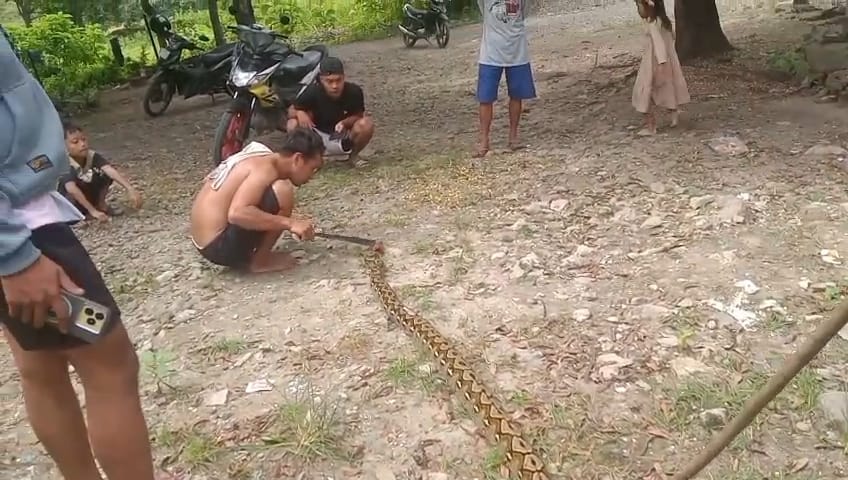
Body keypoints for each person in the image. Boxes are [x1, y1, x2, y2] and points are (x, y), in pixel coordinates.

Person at [1, 25, 157, 480]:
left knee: (40, 364)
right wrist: (15, 256)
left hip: (21, 227)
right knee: (109, 359)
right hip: (25, 236)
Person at [190, 127, 325, 273]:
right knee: (282, 191)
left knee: (273, 192)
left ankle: (255, 257)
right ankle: (260, 262)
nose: (312, 176)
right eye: (313, 168)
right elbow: (237, 214)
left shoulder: (258, 155)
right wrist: (290, 223)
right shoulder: (264, 168)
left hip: (204, 243)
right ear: (297, 159)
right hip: (218, 246)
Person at [474, 0, 536, 158]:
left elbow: (524, 11)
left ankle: (513, 136)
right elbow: (483, 10)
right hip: (490, 51)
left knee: (517, 95)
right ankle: (484, 140)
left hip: (517, 49)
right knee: (485, 98)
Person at [287, 57, 375, 167]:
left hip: (343, 136)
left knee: (366, 124)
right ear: (321, 79)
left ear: (344, 77)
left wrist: (345, 122)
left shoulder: (354, 92)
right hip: (316, 135)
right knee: (292, 124)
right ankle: (308, 160)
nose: (335, 86)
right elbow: (291, 111)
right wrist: (300, 113)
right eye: (329, 81)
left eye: (338, 80)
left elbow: (358, 115)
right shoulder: (312, 91)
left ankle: (354, 157)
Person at [59, 123, 144, 221]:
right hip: (69, 203)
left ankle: (100, 205)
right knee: (73, 190)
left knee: (104, 175)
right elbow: (71, 189)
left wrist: (130, 189)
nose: (82, 144)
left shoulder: (91, 156)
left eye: (83, 139)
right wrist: (92, 211)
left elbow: (109, 170)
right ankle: (85, 213)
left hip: (84, 192)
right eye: (75, 142)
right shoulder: (64, 163)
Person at [632, 0, 690, 136]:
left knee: (643, 92)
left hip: (655, 62)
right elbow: (671, 39)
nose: (639, 10)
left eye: (639, 6)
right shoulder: (664, 21)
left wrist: (661, 62)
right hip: (667, 62)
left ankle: (651, 127)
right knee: (668, 87)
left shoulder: (653, 24)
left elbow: (659, 46)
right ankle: (674, 117)